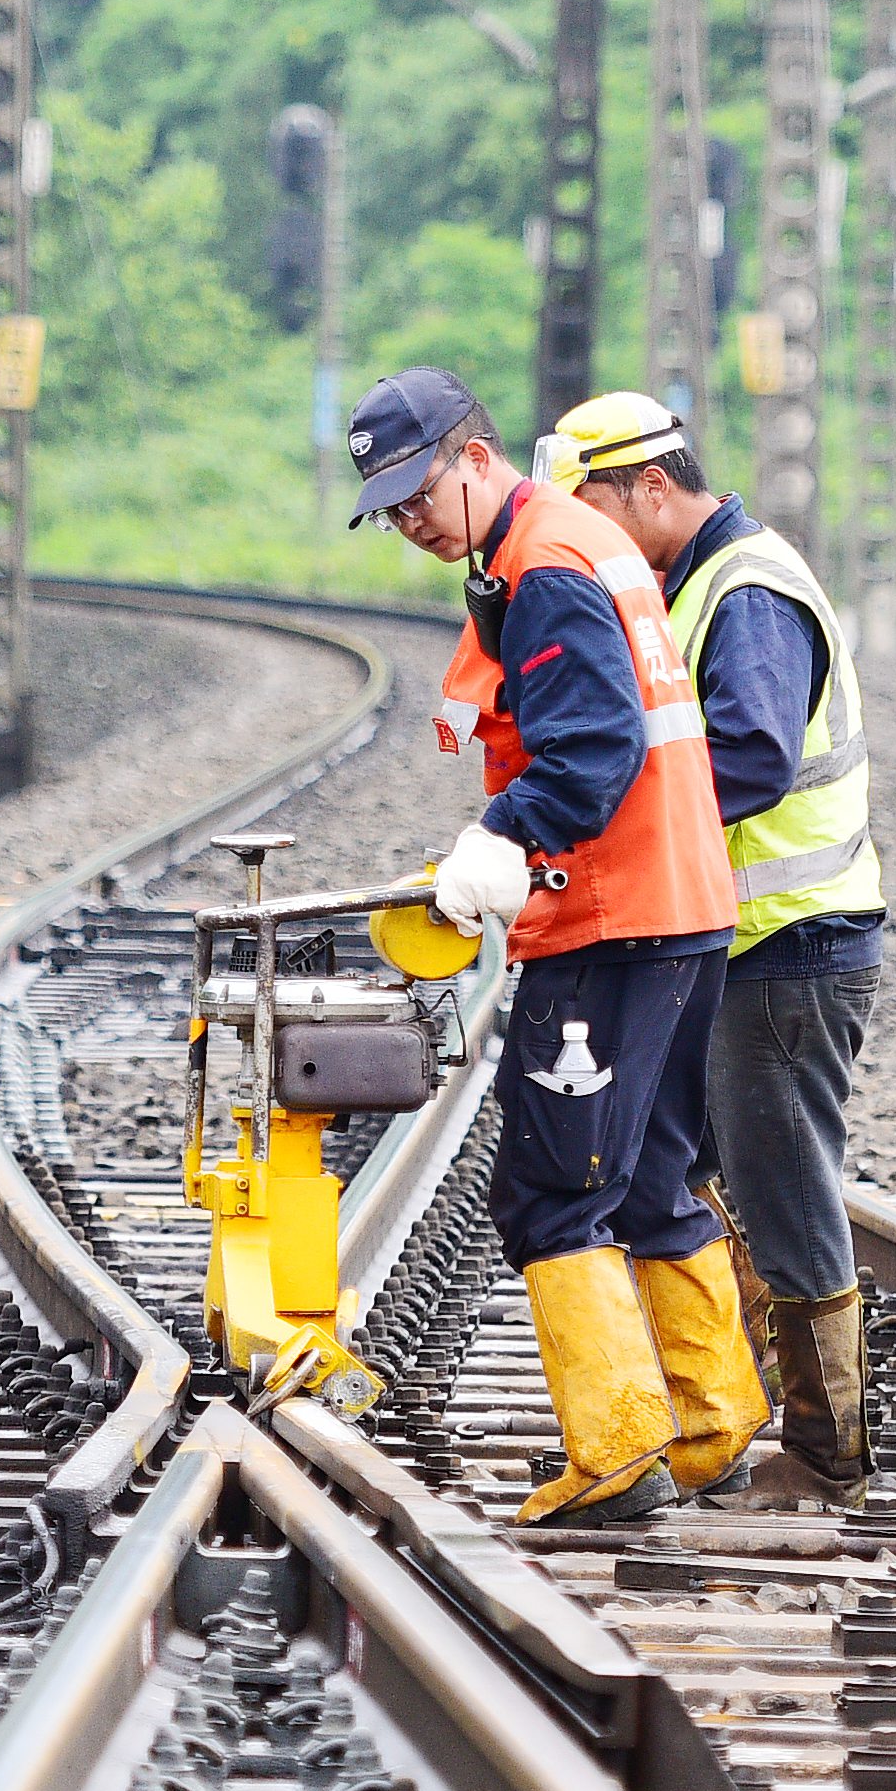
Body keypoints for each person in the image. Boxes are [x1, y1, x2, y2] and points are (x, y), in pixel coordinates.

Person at [342, 364, 762, 1526]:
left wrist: (500, 840)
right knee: (659, 1173)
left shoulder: (546, 566)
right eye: (388, 509)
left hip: (612, 913)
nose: (410, 521)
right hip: (678, 906)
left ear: (476, 459)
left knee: (551, 1190)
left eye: (419, 492)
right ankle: (712, 1426)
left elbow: (590, 750)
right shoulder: (565, 540)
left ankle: (620, 1448)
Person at [536, 391, 887, 1487]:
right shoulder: (697, 586)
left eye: (592, 504)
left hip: (791, 945)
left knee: (785, 1189)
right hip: (747, 944)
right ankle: (739, 1405)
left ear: (650, 486)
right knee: (709, 1176)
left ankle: (830, 1449)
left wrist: (614, 831)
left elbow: (751, 755)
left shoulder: (746, 592)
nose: (585, 531)